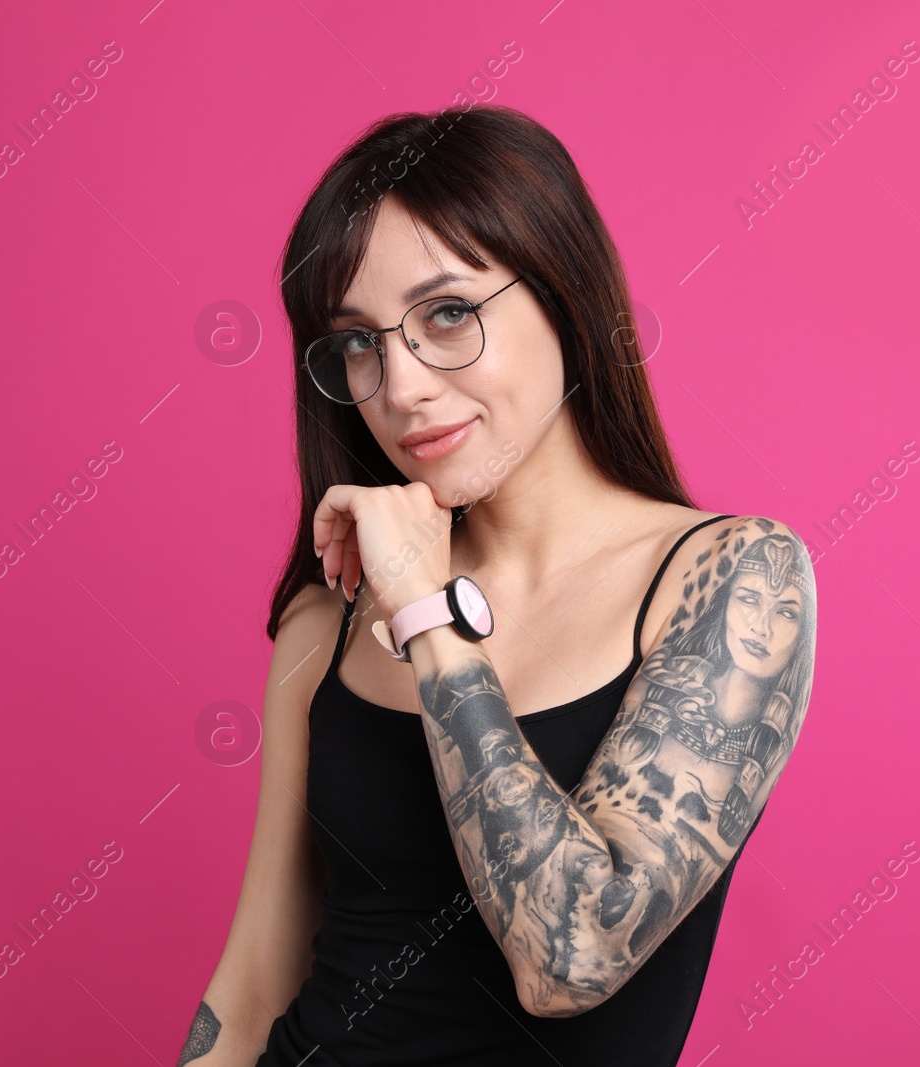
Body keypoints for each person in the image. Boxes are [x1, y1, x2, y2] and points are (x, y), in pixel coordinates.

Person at [178, 104, 817, 1067]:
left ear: (563, 292)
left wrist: (428, 613)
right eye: (360, 342)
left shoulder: (731, 578)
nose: (401, 388)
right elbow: (257, 977)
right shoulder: (329, 613)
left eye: (446, 315)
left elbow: (570, 954)